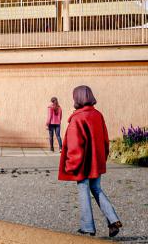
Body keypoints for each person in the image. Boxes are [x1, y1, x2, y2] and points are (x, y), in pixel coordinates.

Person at [58, 85, 122, 238]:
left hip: (82, 164)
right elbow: (105, 140)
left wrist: (70, 164)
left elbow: (74, 146)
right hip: (96, 161)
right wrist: (102, 158)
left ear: (77, 98)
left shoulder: (77, 119)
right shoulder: (98, 115)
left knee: (83, 190)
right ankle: (113, 219)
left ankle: (88, 227)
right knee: (96, 188)